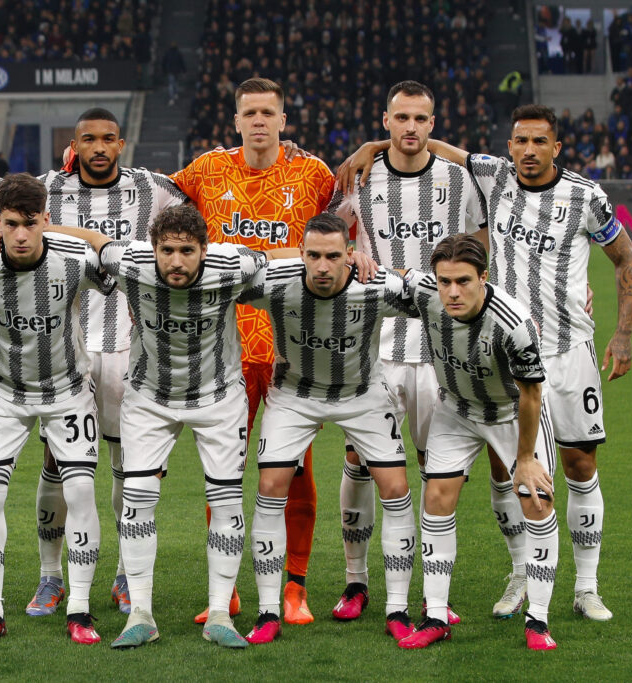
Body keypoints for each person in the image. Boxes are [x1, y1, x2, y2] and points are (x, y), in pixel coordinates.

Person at [339, 104, 632, 622]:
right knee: (509, 467)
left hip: (568, 351)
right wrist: (371, 148)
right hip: (501, 354)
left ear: (556, 147)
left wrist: (624, 332)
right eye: (520, 141)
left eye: (539, 142)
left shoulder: (585, 196)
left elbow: (626, 258)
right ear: (509, 146)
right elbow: (425, 143)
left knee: (579, 465)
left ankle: (586, 587)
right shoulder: (493, 176)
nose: (528, 151)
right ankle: (523, 573)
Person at [46, 205, 280, 649]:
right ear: (152, 248)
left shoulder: (234, 263)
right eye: (167, 250)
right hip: (149, 398)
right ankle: (141, 614)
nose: (176, 261)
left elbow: (282, 257)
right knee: (137, 498)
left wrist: (341, 255)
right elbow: (94, 239)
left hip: (218, 398)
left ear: (205, 249)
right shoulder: (131, 260)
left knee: (226, 500)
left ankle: (218, 615)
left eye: (187, 251)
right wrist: (41, 226)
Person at [170, 76, 345, 625]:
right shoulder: (206, 170)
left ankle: (294, 587)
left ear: (283, 121)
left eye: (269, 112)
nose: (260, 122)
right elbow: (145, 191)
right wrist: (70, 170)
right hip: (224, 348)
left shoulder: (313, 174)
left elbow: (355, 215)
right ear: (237, 120)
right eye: (250, 113)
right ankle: (226, 590)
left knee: (295, 472)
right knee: (224, 473)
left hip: (294, 349)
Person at [331, 81, 485, 625]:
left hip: (442, 349)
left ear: (434, 122)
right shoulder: (359, 176)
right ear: (385, 121)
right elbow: (331, 234)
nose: (411, 128)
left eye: (421, 119)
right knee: (359, 461)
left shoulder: (457, 179)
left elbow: (482, 245)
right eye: (401, 118)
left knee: (433, 468)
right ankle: (356, 581)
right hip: (377, 348)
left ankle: (430, 592)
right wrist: (352, 251)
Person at [26, 107, 188, 618]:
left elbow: (207, 198)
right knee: (56, 465)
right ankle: (51, 576)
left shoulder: (153, 187)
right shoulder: (45, 189)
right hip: (66, 350)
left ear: (122, 144)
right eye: (88, 140)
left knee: (127, 466)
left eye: (108, 139)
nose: (99, 147)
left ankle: (123, 573)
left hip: (130, 349)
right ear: (75, 145)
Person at [238, 213, 421, 645]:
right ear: (301, 254)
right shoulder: (277, 283)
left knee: (395, 487)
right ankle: (267, 611)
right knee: (271, 484)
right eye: (314, 256)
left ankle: (397, 608)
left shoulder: (377, 286)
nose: (322, 267)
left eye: (333, 256)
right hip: (295, 395)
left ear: (350, 256)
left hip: (362, 393)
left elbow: (438, 290)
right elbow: (221, 272)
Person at [0, 173, 112, 645]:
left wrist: (69, 233)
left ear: (46, 220)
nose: (20, 235)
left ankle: (79, 609)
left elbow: (122, 265)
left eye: (31, 224)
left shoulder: (75, 259)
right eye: (10, 224)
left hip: (67, 391)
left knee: (80, 491)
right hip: (2, 393)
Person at [394, 234, 559, 651]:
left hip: (510, 412)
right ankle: (435, 615)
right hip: (456, 409)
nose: (452, 291)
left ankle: (537, 620)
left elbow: (531, 394)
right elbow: (387, 277)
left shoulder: (513, 324)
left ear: (484, 277)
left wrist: (524, 458)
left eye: (463, 281)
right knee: (436, 496)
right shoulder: (425, 292)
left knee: (536, 499)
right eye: (444, 280)